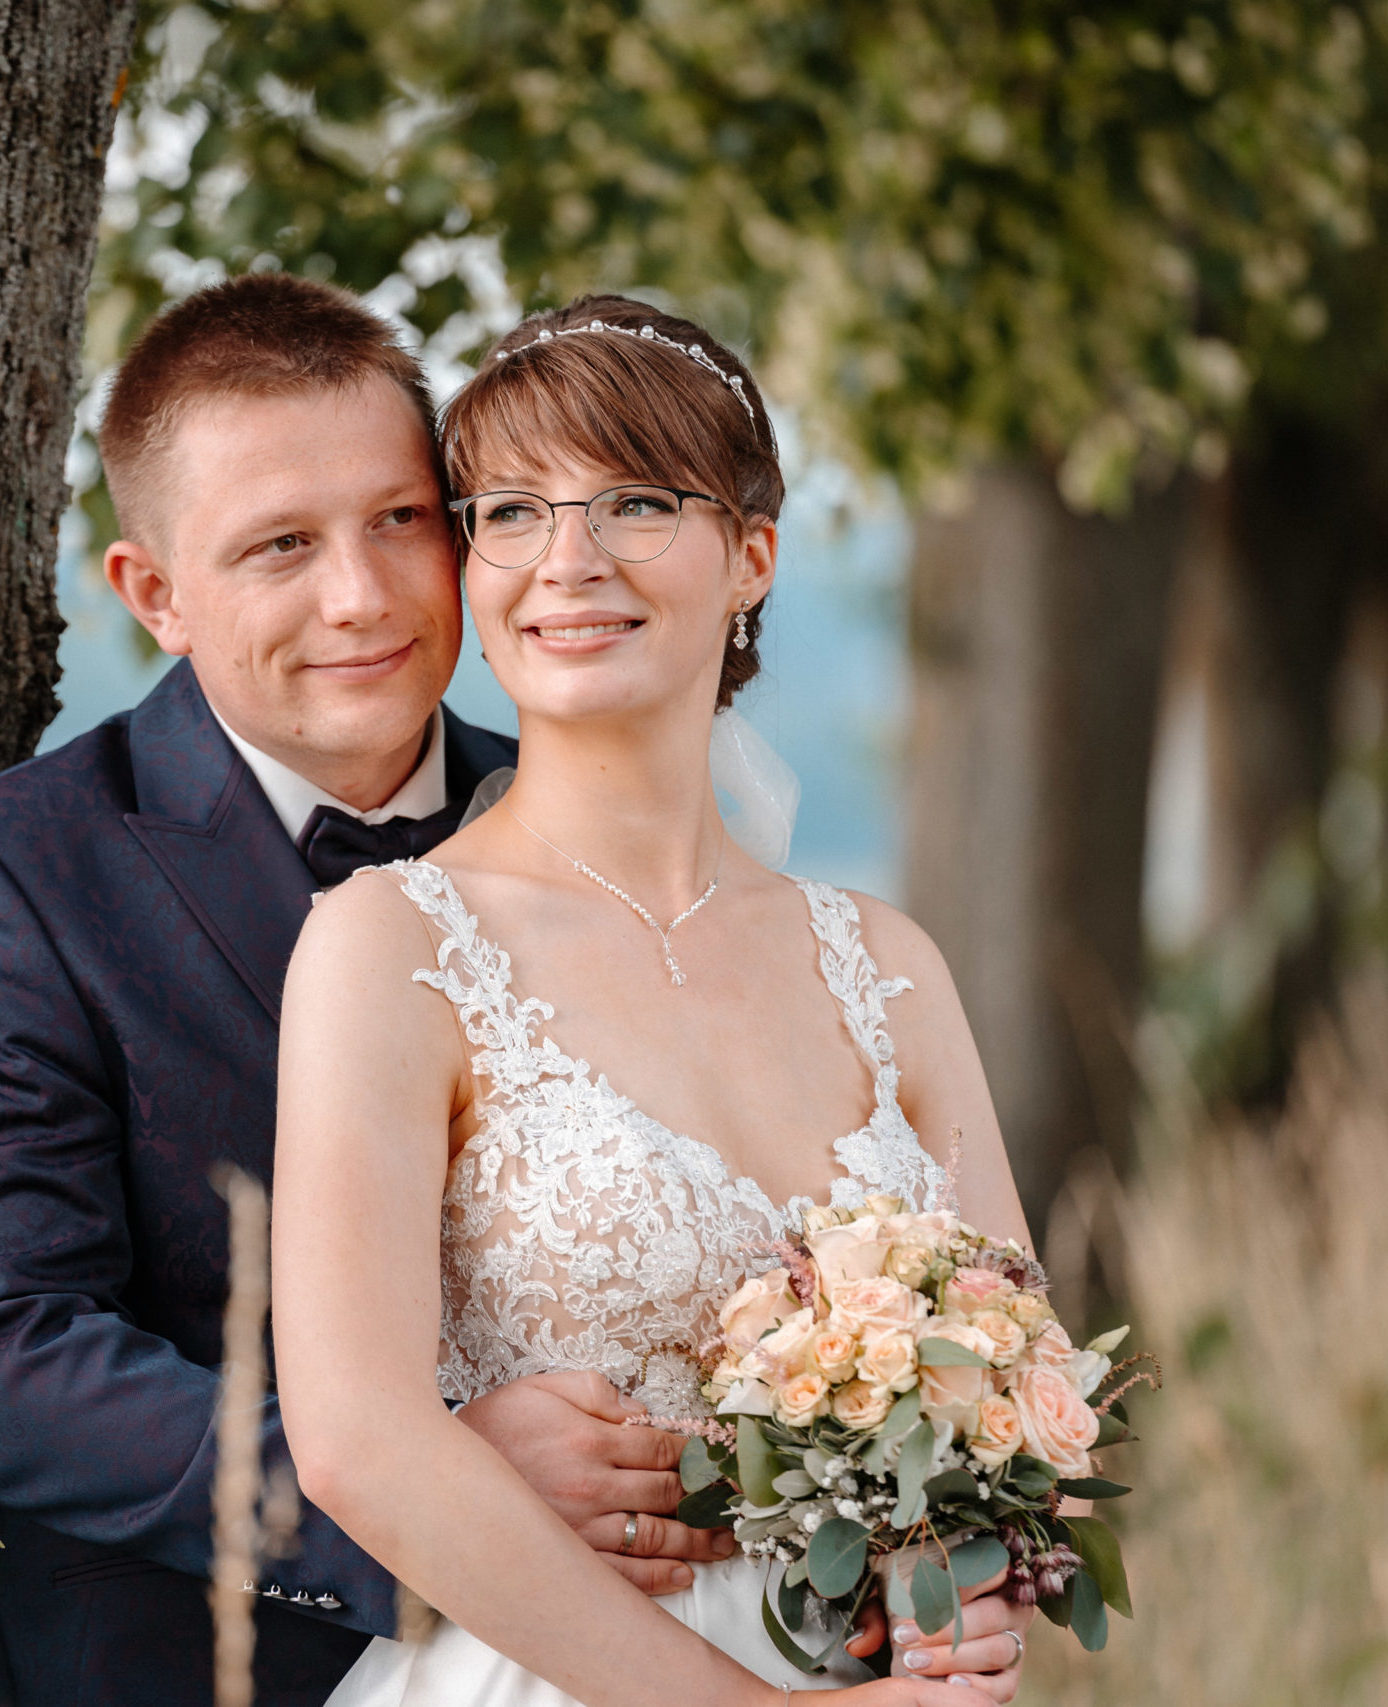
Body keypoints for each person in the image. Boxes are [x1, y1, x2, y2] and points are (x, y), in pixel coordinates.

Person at [0, 276, 742, 1707]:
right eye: (280, 545)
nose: (363, 594)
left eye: (401, 520)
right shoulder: (5, 880)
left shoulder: (603, 834)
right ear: (156, 596)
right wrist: (433, 1495)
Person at [273, 297, 1043, 1706]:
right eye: (511, 511)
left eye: (634, 502)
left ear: (749, 556)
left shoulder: (888, 966)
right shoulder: (390, 946)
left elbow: (1011, 1390)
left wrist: (968, 1597)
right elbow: (354, 1438)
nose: (568, 561)